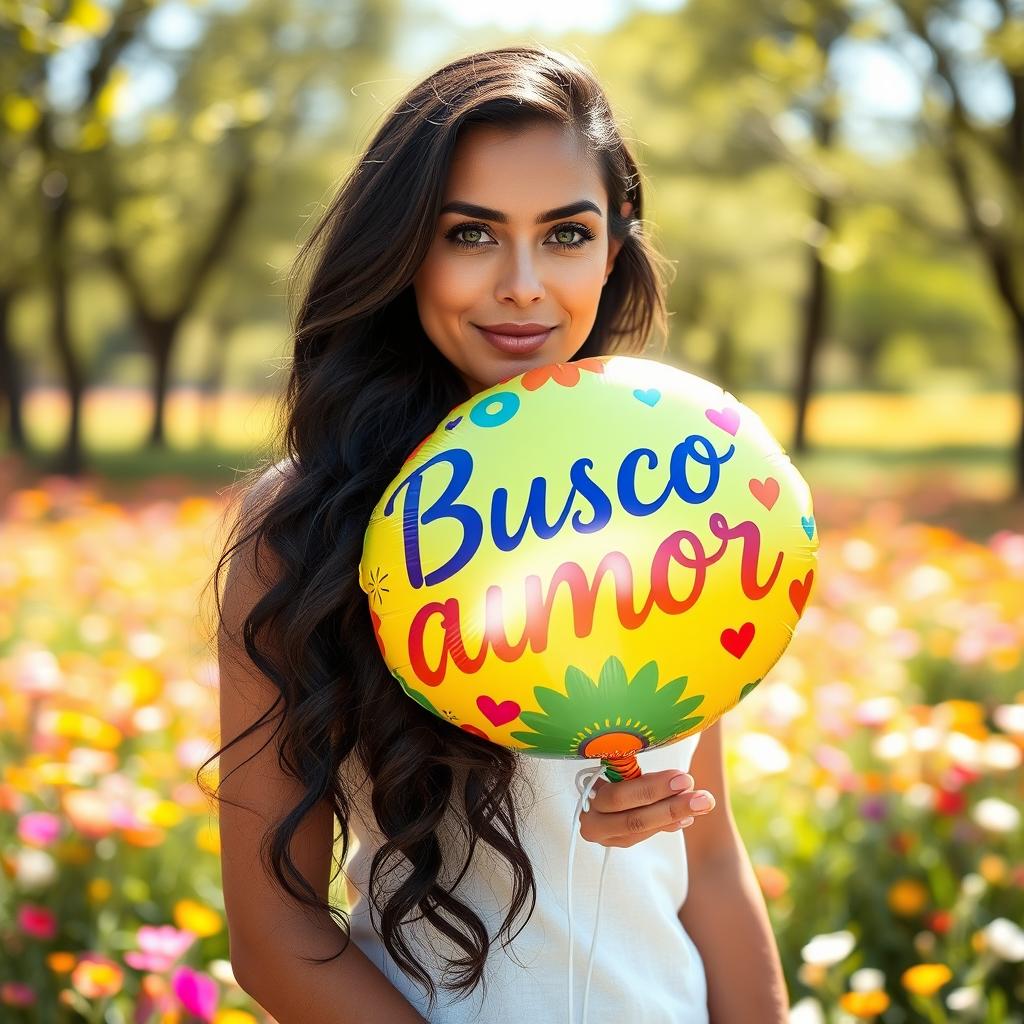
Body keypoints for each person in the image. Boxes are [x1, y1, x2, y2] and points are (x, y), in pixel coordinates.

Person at [204, 44, 790, 1024]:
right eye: (471, 234)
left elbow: (713, 857)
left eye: (565, 233)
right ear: (405, 250)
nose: (522, 283)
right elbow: (274, 936)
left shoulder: (683, 479)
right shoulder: (304, 524)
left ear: (615, 246)